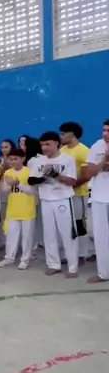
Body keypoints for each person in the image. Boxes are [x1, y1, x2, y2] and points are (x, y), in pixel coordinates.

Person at [28, 131, 78, 276]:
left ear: (57, 143)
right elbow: (31, 180)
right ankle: (53, 264)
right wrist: (42, 178)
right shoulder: (38, 161)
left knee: (68, 234)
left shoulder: (67, 159)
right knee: (49, 234)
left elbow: (72, 181)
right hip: (46, 200)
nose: (44, 148)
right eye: (42, 145)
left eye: (47, 144)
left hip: (63, 199)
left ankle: (73, 267)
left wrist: (55, 174)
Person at [0, 148, 37, 269]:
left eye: (15, 159)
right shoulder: (8, 173)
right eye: (11, 159)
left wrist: (18, 183)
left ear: (23, 159)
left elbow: (33, 191)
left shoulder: (29, 172)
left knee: (27, 237)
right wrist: (9, 185)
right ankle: (9, 257)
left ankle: (25, 259)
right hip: (12, 210)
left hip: (27, 210)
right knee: (11, 236)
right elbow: (4, 191)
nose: (13, 162)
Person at [59, 122, 91, 262]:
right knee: (67, 224)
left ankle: (82, 254)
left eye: (63, 133)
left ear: (71, 134)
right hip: (64, 194)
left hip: (79, 193)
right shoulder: (62, 150)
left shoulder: (83, 151)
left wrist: (71, 185)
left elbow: (86, 176)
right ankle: (70, 253)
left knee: (79, 224)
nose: (61, 136)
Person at [83, 118, 109, 283]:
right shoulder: (96, 146)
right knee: (101, 236)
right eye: (104, 130)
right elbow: (88, 173)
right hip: (100, 196)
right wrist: (104, 160)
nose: (106, 134)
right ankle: (103, 273)